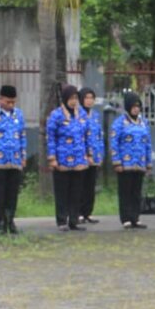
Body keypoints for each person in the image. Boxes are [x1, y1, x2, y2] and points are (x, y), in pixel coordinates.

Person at [0, 85, 28, 235]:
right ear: (0, 99)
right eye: (8, 102)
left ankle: (10, 221)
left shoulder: (18, 115)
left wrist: (23, 155)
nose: (11, 105)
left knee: (12, 194)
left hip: (14, 160)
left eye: (13, 102)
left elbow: (22, 135)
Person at [46, 84, 90, 231]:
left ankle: (74, 220)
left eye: (76, 98)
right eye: (71, 98)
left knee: (76, 192)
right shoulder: (56, 115)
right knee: (62, 192)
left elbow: (87, 135)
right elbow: (51, 137)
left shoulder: (82, 114)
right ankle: (61, 221)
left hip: (79, 160)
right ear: (65, 99)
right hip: (62, 160)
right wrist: (52, 158)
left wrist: (89, 154)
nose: (73, 101)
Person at [109, 92, 152, 229]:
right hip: (125, 164)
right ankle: (126, 218)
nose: (136, 109)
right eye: (133, 106)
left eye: (138, 106)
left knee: (136, 192)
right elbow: (114, 143)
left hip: (140, 163)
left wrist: (148, 162)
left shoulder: (144, 123)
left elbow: (148, 143)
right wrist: (117, 161)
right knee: (125, 192)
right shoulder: (119, 123)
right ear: (128, 107)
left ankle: (135, 217)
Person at [79, 87, 103, 224]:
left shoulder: (95, 116)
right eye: (86, 98)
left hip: (94, 155)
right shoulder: (78, 114)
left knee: (90, 186)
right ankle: (79, 212)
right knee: (81, 185)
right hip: (81, 156)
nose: (89, 101)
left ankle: (88, 212)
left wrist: (100, 154)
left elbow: (99, 135)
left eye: (91, 98)